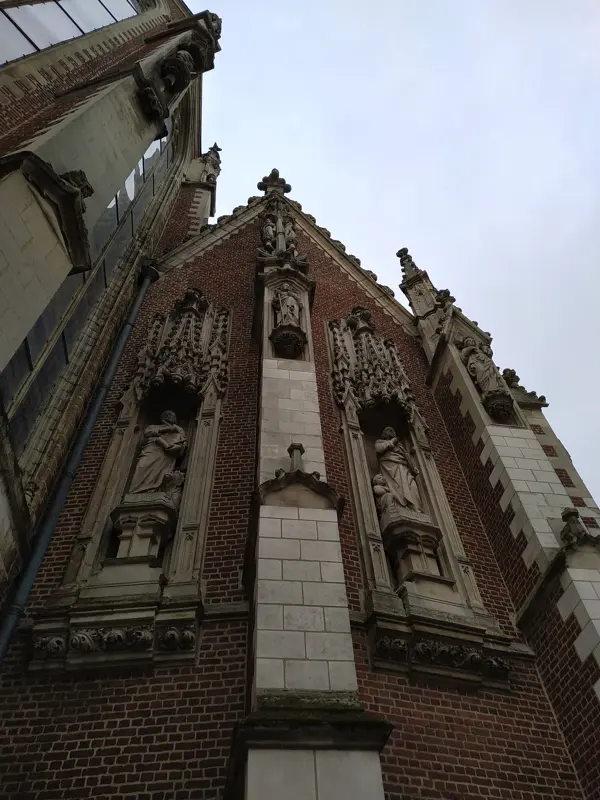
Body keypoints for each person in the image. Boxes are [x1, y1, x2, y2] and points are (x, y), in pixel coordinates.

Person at [128, 410, 187, 494]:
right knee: (142, 465)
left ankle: (152, 490)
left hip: (165, 453)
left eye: (171, 415)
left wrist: (176, 446)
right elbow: (147, 432)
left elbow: (183, 441)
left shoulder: (178, 429)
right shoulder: (153, 426)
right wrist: (167, 429)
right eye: (167, 415)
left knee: (160, 471)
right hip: (151, 448)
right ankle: (136, 490)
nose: (169, 416)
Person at [374, 426, 422, 512]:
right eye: (388, 430)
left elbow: (407, 458)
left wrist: (412, 468)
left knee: (412, 486)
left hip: (404, 468)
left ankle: (415, 509)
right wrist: (392, 442)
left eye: (392, 430)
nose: (391, 431)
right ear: (384, 434)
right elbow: (379, 449)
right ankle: (399, 507)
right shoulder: (380, 442)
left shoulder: (400, 446)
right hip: (391, 468)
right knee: (396, 488)